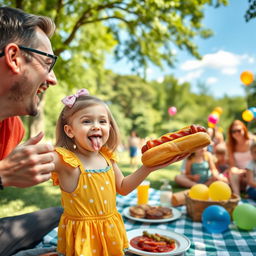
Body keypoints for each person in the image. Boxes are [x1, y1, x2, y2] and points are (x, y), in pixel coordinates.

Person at [51, 89, 187, 256]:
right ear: (69, 130)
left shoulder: (107, 157)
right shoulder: (66, 161)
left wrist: (148, 168)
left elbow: (123, 187)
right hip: (83, 236)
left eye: (102, 121)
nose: (96, 126)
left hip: (109, 231)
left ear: (109, 126)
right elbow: (38, 159)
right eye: (86, 121)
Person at [0, 7, 62, 256]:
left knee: (63, 214)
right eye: (48, 63)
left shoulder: (11, 127)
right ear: (14, 57)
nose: (53, 79)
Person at [226, 120, 255, 196]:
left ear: (244, 130)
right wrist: (239, 171)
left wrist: (248, 171)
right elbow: (232, 166)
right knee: (233, 174)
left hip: (253, 170)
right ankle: (237, 197)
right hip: (240, 172)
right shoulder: (230, 146)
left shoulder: (252, 141)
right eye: (233, 131)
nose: (236, 133)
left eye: (239, 130)